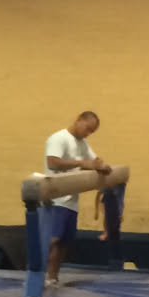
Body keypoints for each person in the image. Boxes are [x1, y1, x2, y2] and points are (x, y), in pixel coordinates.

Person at [42, 110, 108, 285]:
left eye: (91, 132)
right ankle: (39, 273)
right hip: (56, 197)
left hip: (71, 201)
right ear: (79, 120)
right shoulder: (59, 138)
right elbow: (52, 162)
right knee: (54, 239)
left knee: (64, 242)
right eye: (87, 129)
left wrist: (102, 165)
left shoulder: (82, 144)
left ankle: (53, 277)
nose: (88, 134)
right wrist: (82, 163)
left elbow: (93, 161)